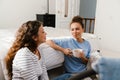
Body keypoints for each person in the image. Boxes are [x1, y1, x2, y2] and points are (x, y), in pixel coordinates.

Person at [46, 16, 91, 80]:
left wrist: (82, 57)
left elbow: (86, 62)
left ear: (83, 29)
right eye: (72, 29)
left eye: (77, 29)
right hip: (70, 74)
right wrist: (63, 50)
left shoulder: (87, 44)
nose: (74, 32)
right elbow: (48, 41)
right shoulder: (67, 41)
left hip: (83, 73)